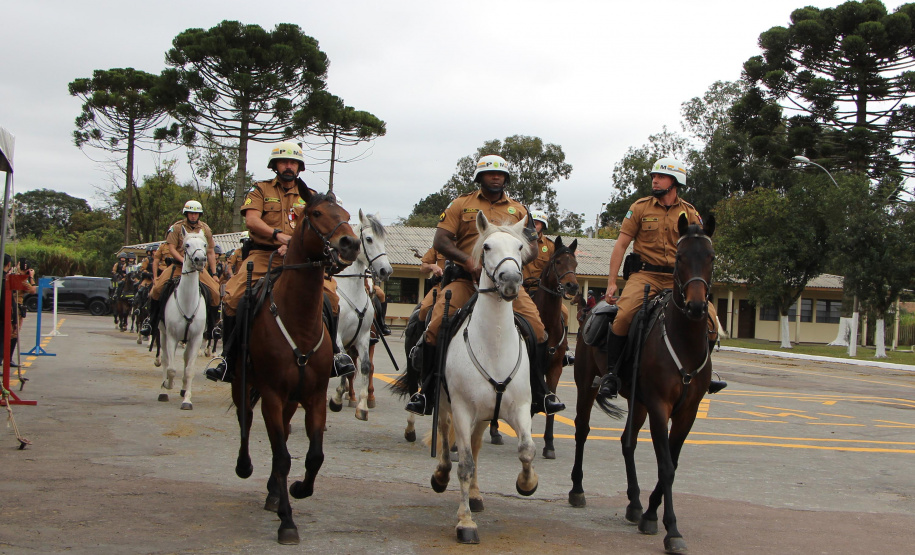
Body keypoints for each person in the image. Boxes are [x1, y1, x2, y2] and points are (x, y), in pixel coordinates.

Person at [405, 154, 565, 416]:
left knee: (537, 330)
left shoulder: (519, 210)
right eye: (490, 173)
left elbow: (533, 249)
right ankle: (427, 390)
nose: (495, 177)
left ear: (505, 178)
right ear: (480, 177)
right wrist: (468, 261)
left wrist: (509, 265)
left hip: (505, 287)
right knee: (435, 326)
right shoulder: (460, 205)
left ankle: (540, 391)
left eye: (500, 174)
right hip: (466, 281)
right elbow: (441, 241)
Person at [205, 141, 355, 382]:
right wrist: (278, 236)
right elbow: (252, 221)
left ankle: (335, 355)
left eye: (293, 162)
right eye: (284, 162)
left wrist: (297, 245)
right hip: (265, 255)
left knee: (332, 299)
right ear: (275, 165)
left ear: (299, 167)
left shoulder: (312, 197)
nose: (288, 166)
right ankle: (228, 358)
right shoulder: (260, 190)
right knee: (234, 297)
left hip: (302, 261)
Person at [597, 157, 726, 398]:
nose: (655, 180)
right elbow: (621, 245)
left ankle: (703, 374)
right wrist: (612, 282)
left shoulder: (689, 212)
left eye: (661, 177)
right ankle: (612, 375)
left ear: (675, 182)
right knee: (623, 316)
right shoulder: (639, 208)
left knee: (710, 320)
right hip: (645, 275)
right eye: (654, 177)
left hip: (678, 279)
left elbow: (699, 250)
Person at [139, 200, 221, 337]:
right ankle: (150, 322)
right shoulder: (177, 228)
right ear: (186, 214)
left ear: (199, 215)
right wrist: (184, 261)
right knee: (157, 289)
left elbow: (211, 251)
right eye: (191, 213)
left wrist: (214, 273)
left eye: (196, 213)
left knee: (216, 294)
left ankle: (213, 327)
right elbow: (171, 248)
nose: (193, 216)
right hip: (178, 267)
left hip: (199, 269)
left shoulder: (205, 229)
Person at [523, 208, 574, 367]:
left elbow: (558, 268)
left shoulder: (550, 246)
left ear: (542, 226)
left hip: (541, 290)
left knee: (564, 312)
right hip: (520, 289)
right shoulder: (517, 241)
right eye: (532, 223)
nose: (534, 226)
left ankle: (563, 350)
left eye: (538, 223)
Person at [415, 246, 446, 325]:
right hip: (441, 285)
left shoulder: (467, 240)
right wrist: (432, 266)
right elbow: (423, 267)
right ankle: (421, 335)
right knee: (424, 308)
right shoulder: (440, 243)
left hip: (462, 284)